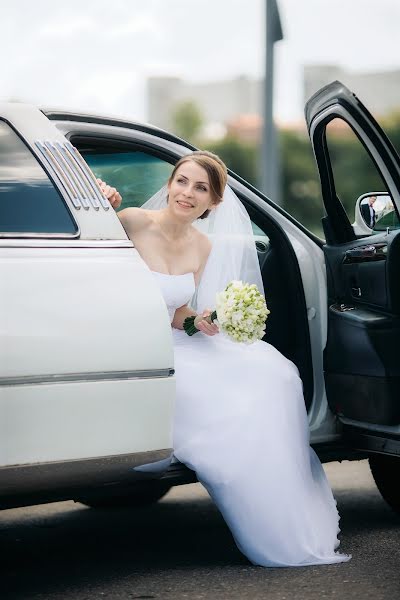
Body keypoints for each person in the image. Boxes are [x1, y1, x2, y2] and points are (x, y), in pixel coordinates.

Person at [98, 151, 351, 567]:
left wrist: (201, 323)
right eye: (182, 181)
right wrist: (103, 200)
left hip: (173, 341)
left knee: (276, 374)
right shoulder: (131, 222)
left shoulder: (202, 245)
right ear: (169, 184)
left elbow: (178, 313)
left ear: (213, 202)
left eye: (201, 188)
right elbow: (85, 241)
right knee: (223, 399)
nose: (187, 193)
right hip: (130, 343)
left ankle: (276, 504)